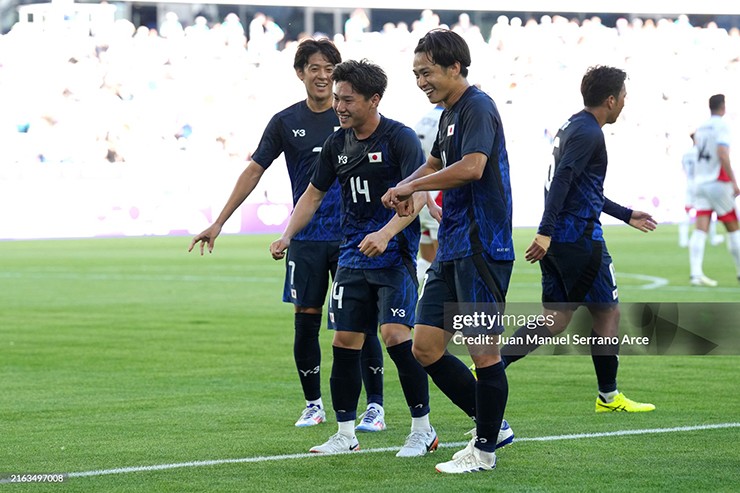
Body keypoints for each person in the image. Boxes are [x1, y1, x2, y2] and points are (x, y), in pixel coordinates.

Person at [188, 38, 387, 432]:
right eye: (316, 68)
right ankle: (313, 404)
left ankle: (375, 406)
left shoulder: (352, 114)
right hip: (308, 237)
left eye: (331, 69)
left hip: (353, 237)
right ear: (300, 73)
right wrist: (220, 220)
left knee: (360, 323)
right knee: (306, 319)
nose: (324, 76)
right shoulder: (285, 122)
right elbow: (254, 170)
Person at [270, 59, 437, 457]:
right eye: (338, 100)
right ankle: (345, 433)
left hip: (393, 253)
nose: (339, 107)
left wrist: (385, 233)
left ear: (373, 100)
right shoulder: (336, 143)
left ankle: (423, 429)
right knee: (344, 341)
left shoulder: (399, 138)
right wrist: (287, 235)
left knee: (396, 337)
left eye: (347, 100)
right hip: (352, 254)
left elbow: (417, 196)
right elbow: (312, 195)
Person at [383, 29, 515, 474]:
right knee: (425, 346)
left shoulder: (477, 106)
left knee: (483, 352)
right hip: (453, 245)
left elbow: (473, 167)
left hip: (481, 245)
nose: (421, 81)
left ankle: (484, 452)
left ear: (455, 67)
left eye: (428, 72)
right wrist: (405, 186)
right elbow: (436, 165)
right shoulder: (448, 114)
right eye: (416, 74)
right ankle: (491, 425)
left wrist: (413, 185)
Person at [500, 65, 657, 414]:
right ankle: (609, 396)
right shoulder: (590, 134)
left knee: (555, 318)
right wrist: (545, 229)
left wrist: (625, 214)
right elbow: (564, 180)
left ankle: (491, 366)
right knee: (608, 312)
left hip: (561, 239)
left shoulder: (572, 125)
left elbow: (583, 188)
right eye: (624, 98)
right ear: (611, 100)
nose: (624, 105)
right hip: (579, 238)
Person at [688, 94, 740, 286]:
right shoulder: (723, 126)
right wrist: (734, 181)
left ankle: (695, 274)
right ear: (723, 106)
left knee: (701, 228)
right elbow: (722, 153)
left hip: (701, 182)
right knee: (733, 228)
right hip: (718, 181)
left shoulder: (701, 128)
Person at [413, 104, 444, 284]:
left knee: (425, 258)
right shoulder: (447, 119)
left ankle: (414, 298)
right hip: (438, 193)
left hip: (423, 192)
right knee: (444, 260)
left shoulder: (424, 118)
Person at [679, 133, 722, 249]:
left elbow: (683, 169)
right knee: (708, 210)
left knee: (687, 211)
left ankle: (683, 239)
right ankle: (713, 238)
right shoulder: (703, 153)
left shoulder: (686, 154)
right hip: (701, 184)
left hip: (689, 183)